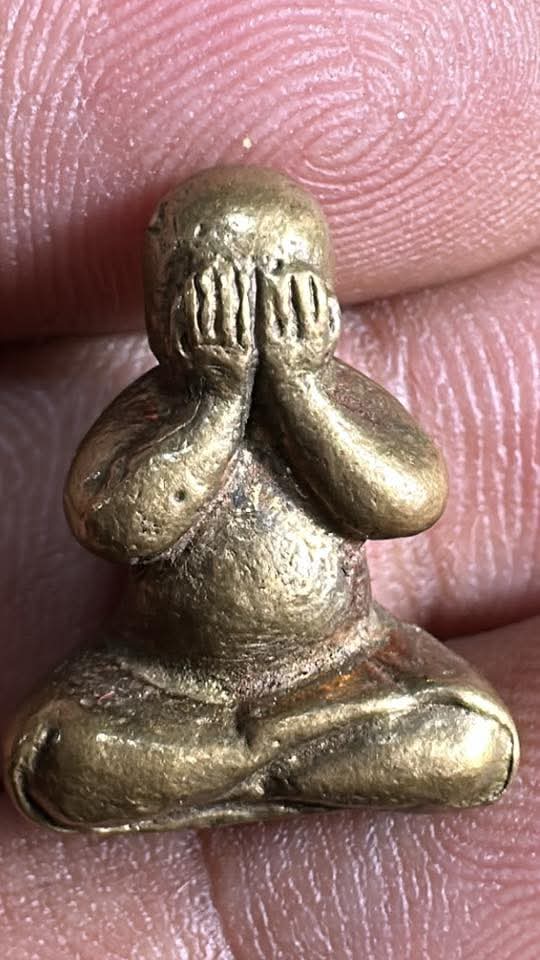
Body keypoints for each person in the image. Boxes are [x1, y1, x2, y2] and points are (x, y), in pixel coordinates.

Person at [1, 1, 538, 956]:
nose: (246, 313)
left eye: (279, 287)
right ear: (163, 307)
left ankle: (257, 757)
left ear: (319, 294)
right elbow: (119, 524)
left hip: (343, 666)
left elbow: (406, 500)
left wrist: (298, 388)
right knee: (59, 754)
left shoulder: (337, 394)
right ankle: (272, 760)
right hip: (161, 680)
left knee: (470, 740)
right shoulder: (155, 405)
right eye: (210, 291)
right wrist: (215, 401)